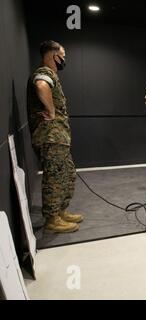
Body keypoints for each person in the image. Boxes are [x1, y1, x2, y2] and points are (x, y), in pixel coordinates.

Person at [27, 40, 83, 233]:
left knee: (67, 174)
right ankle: (52, 221)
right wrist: (50, 110)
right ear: (53, 56)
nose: (64, 59)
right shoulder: (45, 73)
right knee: (54, 177)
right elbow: (42, 86)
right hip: (50, 136)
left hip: (58, 137)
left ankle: (60, 211)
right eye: (63, 56)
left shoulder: (53, 75)